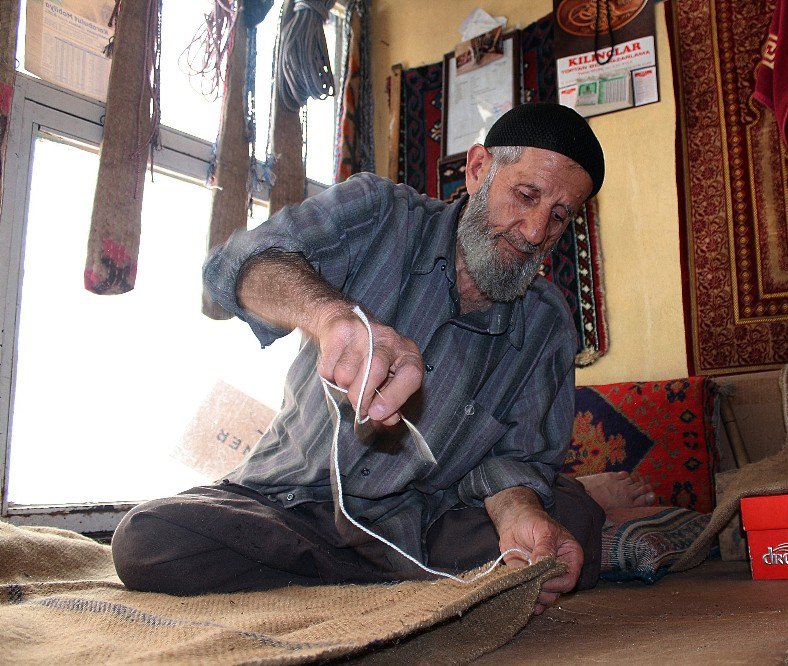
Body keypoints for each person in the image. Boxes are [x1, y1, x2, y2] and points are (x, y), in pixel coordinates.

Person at [111, 103, 653, 615]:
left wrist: (519, 512)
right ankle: (419, 584)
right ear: (479, 168)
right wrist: (328, 316)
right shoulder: (377, 213)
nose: (536, 232)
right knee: (149, 540)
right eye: (526, 195)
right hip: (294, 504)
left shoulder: (547, 322)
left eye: (559, 217)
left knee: (566, 537)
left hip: (423, 519)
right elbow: (236, 267)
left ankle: (394, 575)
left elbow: (515, 459)